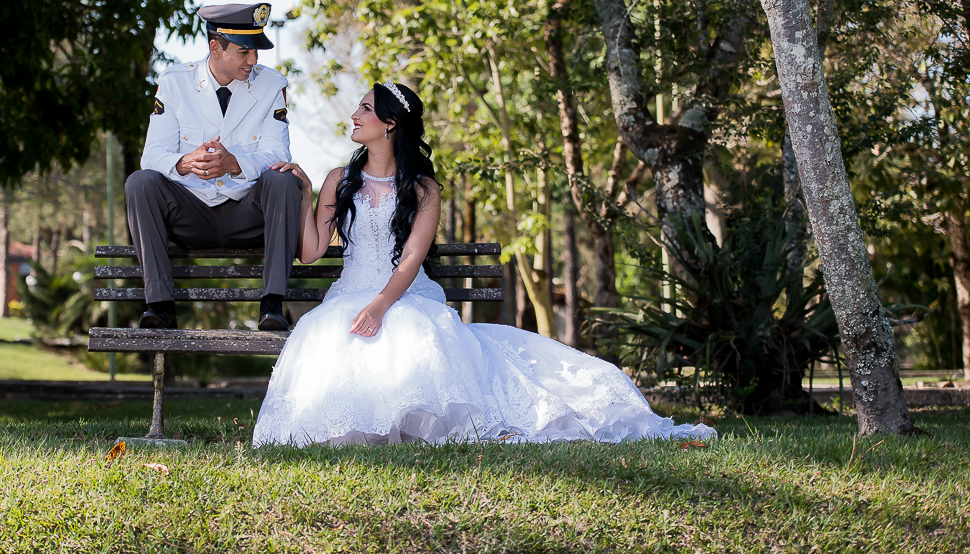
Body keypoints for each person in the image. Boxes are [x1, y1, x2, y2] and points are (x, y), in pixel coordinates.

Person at [252, 82, 717, 446]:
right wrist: (307, 191)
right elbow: (311, 252)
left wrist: (379, 307)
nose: (354, 116)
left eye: (364, 109)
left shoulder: (423, 190)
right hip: (347, 295)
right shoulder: (340, 179)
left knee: (409, 335)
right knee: (333, 342)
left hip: (404, 296)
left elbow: (413, 257)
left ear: (390, 124)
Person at [125, 2, 303, 331]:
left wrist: (234, 163)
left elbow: (278, 153)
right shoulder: (175, 82)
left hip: (245, 215)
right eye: (244, 52)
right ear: (215, 47)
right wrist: (183, 162)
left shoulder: (271, 85)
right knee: (140, 182)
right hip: (190, 214)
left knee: (284, 179)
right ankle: (160, 305)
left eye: (256, 52)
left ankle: (272, 304)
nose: (253, 60)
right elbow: (152, 155)